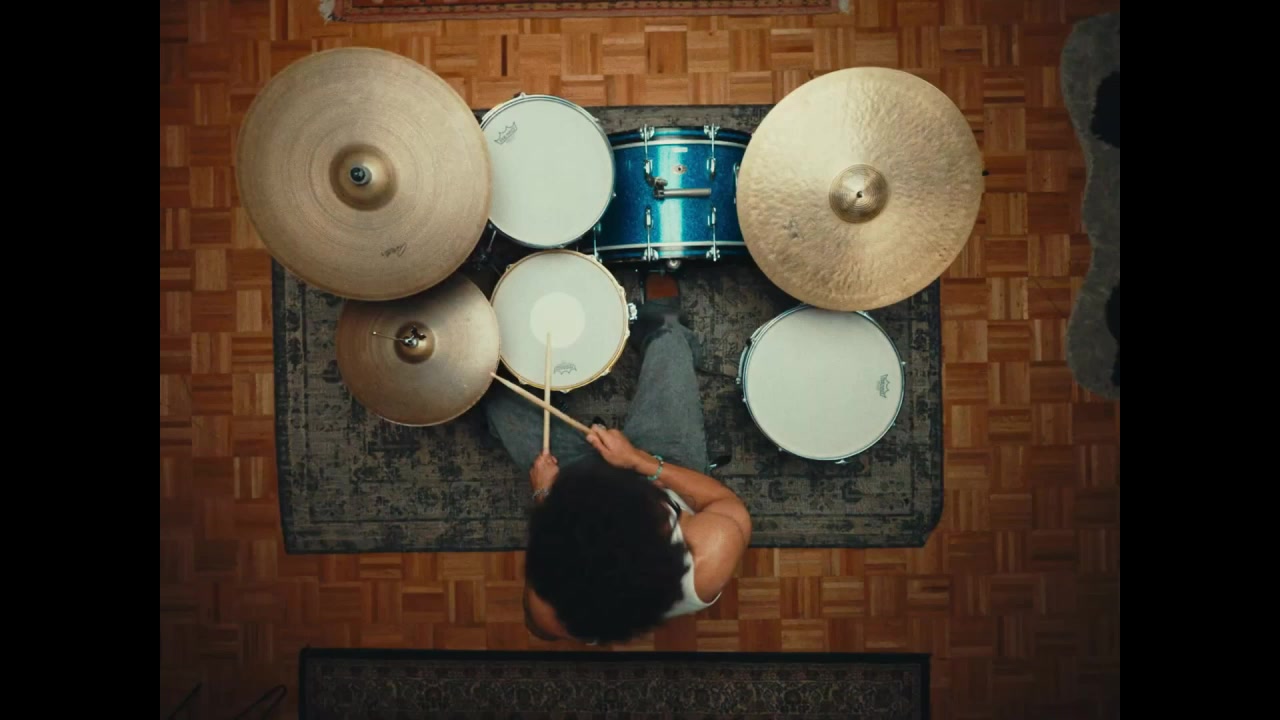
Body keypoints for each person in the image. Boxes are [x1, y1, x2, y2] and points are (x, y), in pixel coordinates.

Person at [483, 275, 753, 645]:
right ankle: (660, 328)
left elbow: (547, 552)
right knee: (670, 339)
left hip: (572, 484)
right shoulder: (708, 554)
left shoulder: (551, 610)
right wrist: (639, 462)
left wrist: (545, 495)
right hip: (663, 471)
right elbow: (721, 500)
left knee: (493, 393)